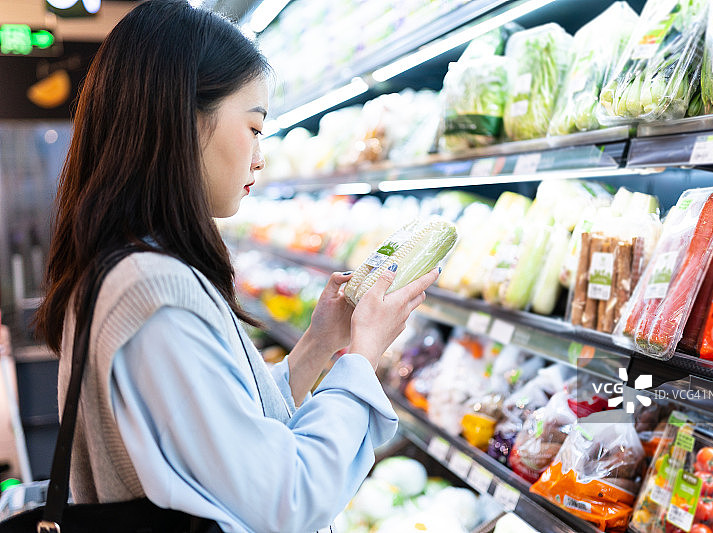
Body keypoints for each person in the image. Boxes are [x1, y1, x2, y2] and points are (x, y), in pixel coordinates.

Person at [34, 1, 438, 532]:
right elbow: (286, 498)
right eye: (254, 126)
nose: (260, 155)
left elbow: (223, 432)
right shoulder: (152, 290)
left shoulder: (130, 266)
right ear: (183, 118)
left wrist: (318, 345)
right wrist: (362, 355)